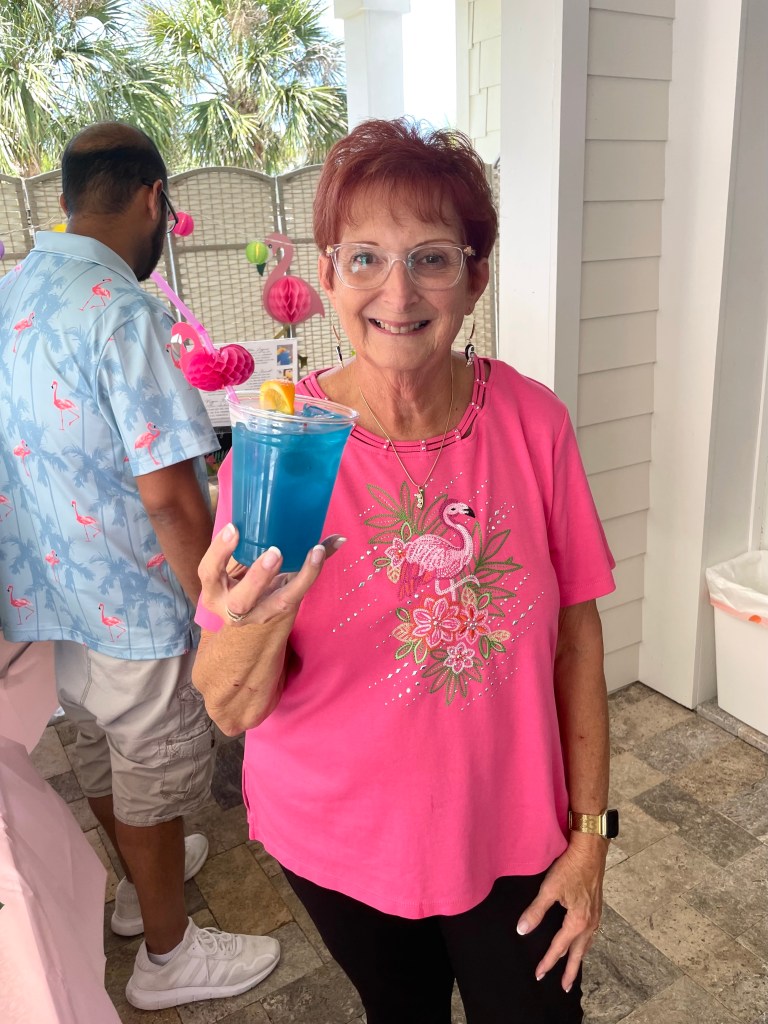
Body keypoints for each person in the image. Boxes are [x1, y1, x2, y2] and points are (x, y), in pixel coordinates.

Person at [193, 118, 616, 1023]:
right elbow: (229, 708)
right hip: (341, 841)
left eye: (431, 256)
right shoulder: (279, 454)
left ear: (474, 279)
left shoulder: (534, 425)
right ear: (329, 277)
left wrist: (591, 837)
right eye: (365, 258)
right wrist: (255, 618)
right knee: (404, 1012)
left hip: (515, 833)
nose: (398, 290)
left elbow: (578, 635)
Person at [0, 123, 279, 1011]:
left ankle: (136, 893)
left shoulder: (12, 298)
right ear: (156, 198)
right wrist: (222, 607)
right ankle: (169, 953)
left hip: (41, 589)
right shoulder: (123, 311)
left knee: (94, 738)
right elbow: (170, 494)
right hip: (130, 590)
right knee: (153, 761)